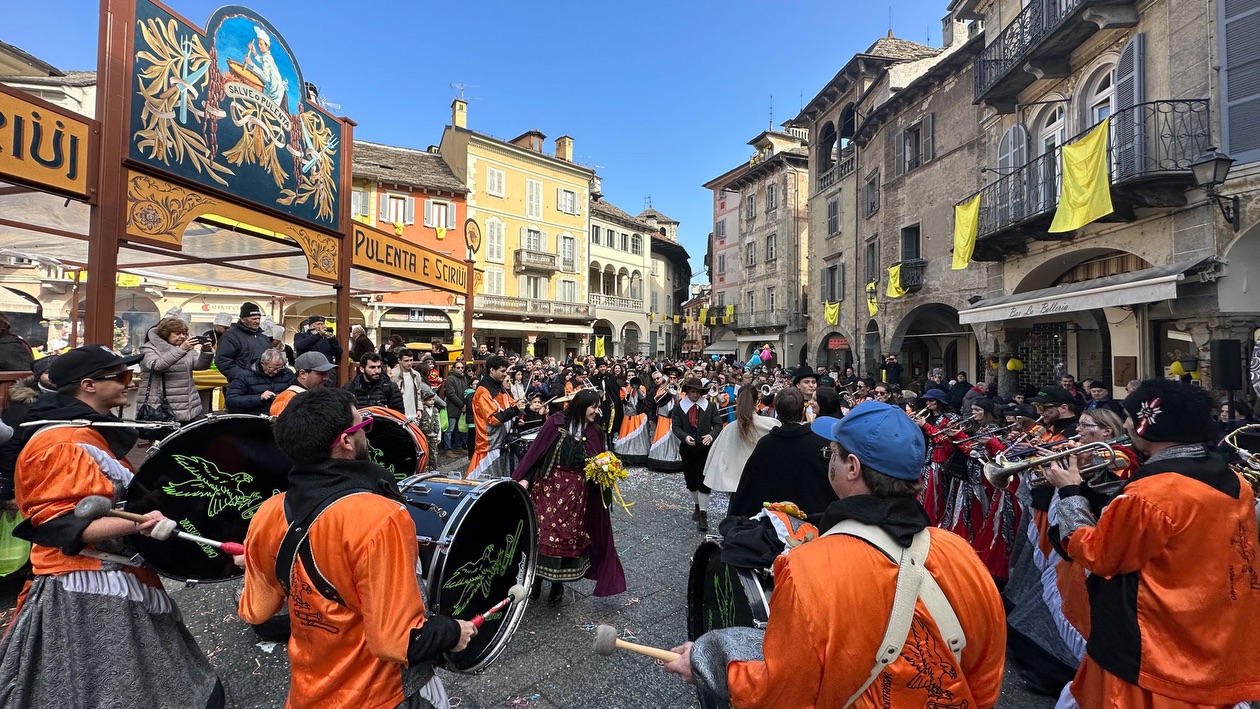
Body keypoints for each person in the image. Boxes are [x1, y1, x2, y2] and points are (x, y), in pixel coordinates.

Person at [664, 400, 1007, 707]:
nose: (829, 458)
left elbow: (780, 692)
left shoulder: (806, 568)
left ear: (852, 467)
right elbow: (985, 677)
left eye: (833, 452)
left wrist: (705, 660)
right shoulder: (963, 555)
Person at [0, 345, 224, 707]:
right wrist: (140, 525)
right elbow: (61, 525)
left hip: (117, 570)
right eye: (119, 376)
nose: (130, 381)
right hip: (86, 581)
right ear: (88, 385)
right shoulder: (61, 444)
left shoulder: (85, 432)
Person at [239, 387, 475, 709]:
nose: (365, 429)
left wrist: (259, 561)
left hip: (308, 687)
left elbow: (256, 610)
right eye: (361, 424)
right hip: (376, 691)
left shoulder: (267, 513)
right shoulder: (381, 518)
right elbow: (396, 640)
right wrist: (452, 631)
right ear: (346, 442)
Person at [1042, 379, 1260, 707]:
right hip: (1208, 639)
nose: (1126, 424)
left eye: (1131, 416)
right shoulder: (1235, 482)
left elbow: (1098, 554)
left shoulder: (1152, 495)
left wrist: (1070, 490)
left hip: (1151, 650)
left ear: (1150, 424)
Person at [511, 389, 626, 606]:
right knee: (542, 533)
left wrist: (605, 469)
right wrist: (525, 478)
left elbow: (597, 458)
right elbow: (536, 453)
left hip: (575, 493)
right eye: (594, 406)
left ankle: (557, 584)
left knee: (566, 536)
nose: (597, 411)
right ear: (582, 405)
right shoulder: (555, 423)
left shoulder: (595, 432)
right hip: (548, 488)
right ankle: (535, 580)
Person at [728, 387, 836, 519]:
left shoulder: (766, 444)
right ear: (803, 411)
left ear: (777, 412)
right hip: (813, 518)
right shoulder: (820, 443)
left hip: (776, 521)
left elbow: (748, 486)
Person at [703, 384, 781, 496]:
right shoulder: (772, 424)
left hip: (736, 488)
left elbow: (716, 462)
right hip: (765, 483)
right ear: (757, 401)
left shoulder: (729, 429)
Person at [138, 316, 214, 424]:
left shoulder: (187, 348)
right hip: (161, 407)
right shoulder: (148, 348)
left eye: (184, 333)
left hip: (188, 406)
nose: (182, 337)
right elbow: (156, 367)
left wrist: (206, 352)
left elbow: (199, 366)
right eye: (177, 334)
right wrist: (181, 350)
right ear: (165, 334)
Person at [672, 377, 722, 532]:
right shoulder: (679, 407)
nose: (695, 395)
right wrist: (684, 437)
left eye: (698, 392)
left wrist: (711, 435)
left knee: (704, 481)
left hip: (705, 449)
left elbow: (718, 424)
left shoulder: (710, 406)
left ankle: (703, 514)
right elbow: (676, 427)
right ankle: (697, 505)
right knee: (691, 480)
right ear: (687, 392)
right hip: (688, 448)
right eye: (693, 392)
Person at [911, 388, 963, 525]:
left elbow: (943, 439)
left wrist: (925, 425)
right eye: (927, 400)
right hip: (927, 458)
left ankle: (933, 520)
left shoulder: (951, 418)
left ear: (940, 402)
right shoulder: (926, 415)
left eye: (932, 400)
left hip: (941, 460)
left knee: (934, 494)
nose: (928, 403)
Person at [467, 355, 523, 479]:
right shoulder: (483, 391)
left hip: (501, 443)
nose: (505, 375)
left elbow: (511, 403)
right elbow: (493, 419)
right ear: (492, 370)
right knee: (482, 485)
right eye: (502, 371)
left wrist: (526, 407)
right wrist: (515, 409)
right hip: (489, 446)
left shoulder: (498, 386)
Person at [226, 348, 296, 415]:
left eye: (279, 368)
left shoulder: (287, 374)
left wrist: (284, 397)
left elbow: (298, 393)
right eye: (271, 368)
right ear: (262, 363)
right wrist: (259, 398)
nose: (276, 371)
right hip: (254, 417)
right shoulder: (244, 376)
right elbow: (231, 400)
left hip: (281, 416)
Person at [270, 352, 337, 416]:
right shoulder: (286, 400)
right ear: (303, 374)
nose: (326, 378)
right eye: (321, 373)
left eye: (327, 373)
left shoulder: (320, 393)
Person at [391, 349, 444, 420]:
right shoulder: (393, 374)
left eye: (411, 360)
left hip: (413, 412)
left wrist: (419, 409)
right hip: (398, 413)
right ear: (399, 360)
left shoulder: (416, 375)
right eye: (406, 361)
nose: (409, 363)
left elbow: (418, 394)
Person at [647, 369, 683, 472]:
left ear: (677, 379)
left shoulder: (680, 389)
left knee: (675, 440)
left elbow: (680, 402)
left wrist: (675, 391)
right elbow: (657, 400)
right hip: (663, 417)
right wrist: (668, 390)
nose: (672, 380)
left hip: (674, 418)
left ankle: (675, 461)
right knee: (661, 439)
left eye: (674, 378)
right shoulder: (662, 388)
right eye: (670, 378)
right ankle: (659, 461)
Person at [615, 376, 652, 465]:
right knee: (627, 435)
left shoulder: (642, 387)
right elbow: (624, 401)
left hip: (639, 416)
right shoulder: (625, 389)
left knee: (640, 437)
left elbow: (642, 397)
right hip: (628, 416)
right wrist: (629, 390)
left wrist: (638, 387)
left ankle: (641, 457)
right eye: (629, 375)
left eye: (632, 375)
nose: (631, 377)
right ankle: (626, 457)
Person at [442, 361, 469, 457]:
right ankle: (448, 449)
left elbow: (466, 392)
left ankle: (458, 447)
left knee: (459, 429)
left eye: (462, 367)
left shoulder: (464, 378)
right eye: (458, 367)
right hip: (453, 408)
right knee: (450, 430)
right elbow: (451, 394)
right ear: (453, 368)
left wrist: (465, 404)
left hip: (462, 408)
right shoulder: (450, 379)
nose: (460, 369)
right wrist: (462, 405)